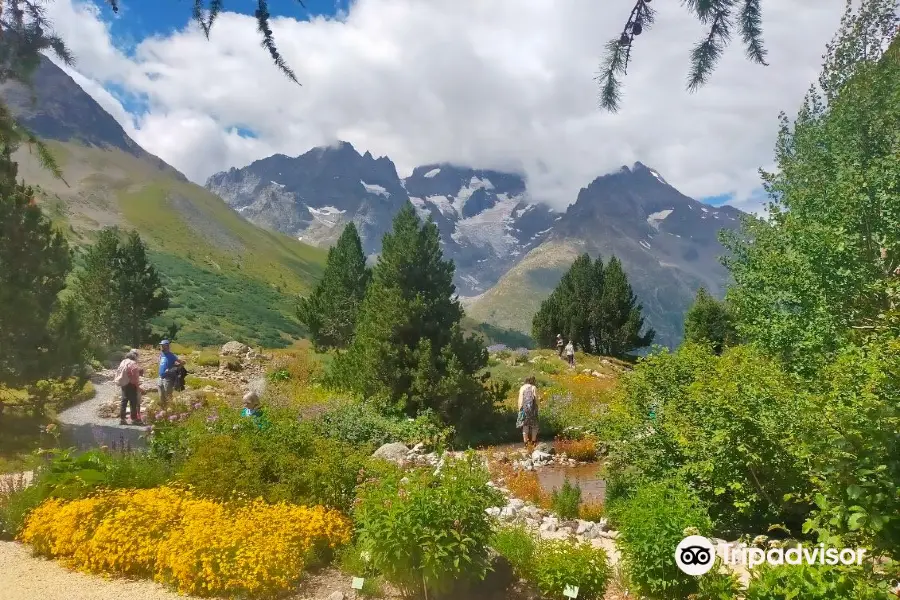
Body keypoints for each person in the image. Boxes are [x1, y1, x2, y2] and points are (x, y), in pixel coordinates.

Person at [114, 349, 144, 425]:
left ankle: (122, 419)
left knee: (124, 401)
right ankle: (134, 419)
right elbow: (134, 379)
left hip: (123, 383)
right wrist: (138, 387)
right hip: (131, 385)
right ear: (135, 356)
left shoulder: (123, 362)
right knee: (133, 401)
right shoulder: (133, 364)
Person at [516, 376, 539, 451]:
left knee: (525, 426)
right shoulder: (533, 387)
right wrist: (537, 407)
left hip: (523, 409)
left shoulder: (522, 387)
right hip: (532, 410)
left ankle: (525, 444)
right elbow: (536, 398)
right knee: (534, 426)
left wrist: (520, 410)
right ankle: (533, 442)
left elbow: (520, 399)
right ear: (532, 381)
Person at [157, 340, 182, 407]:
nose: (161, 347)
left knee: (168, 395)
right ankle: (163, 411)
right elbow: (160, 363)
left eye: (163, 346)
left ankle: (170, 409)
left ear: (167, 346)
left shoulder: (172, 355)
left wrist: (172, 368)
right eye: (161, 345)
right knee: (161, 396)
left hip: (167, 378)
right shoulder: (161, 355)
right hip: (160, 377)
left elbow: (181, 363)